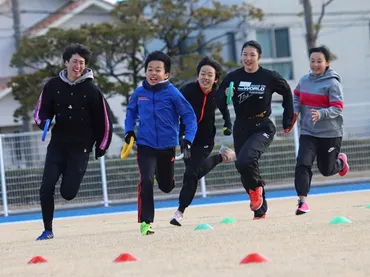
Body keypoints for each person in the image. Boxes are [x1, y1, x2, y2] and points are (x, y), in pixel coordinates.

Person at [33, 43, 113, 240]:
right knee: (46, 186)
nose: (78, 66)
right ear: (66, 62)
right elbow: (40, 111)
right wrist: (43, 122)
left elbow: (105, 120)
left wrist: (102, 145)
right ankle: (47, 229)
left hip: (81, 147)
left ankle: (70, 183)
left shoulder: (92, 90)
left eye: (82, 63)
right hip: (58, 144)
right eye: (75, 62)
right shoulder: (52, 85)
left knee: (68, 193)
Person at [217, 40, 294, 220]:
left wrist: (287, 118)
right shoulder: (233, 77)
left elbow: (287, 92)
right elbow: (219, 98)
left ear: (259, 57)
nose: (248, 58)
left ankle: (257, 189)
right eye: (245, 54)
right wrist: (228, 94)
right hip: (241, 127)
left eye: (252, 55)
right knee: (244, 166)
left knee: (245, 160)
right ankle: (260, 210)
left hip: (262, 126)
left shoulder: (269, 77)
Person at [124, 50, 197, 236]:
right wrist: (129, 131)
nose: (153, 73)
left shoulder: (173, 93)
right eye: (150, 69)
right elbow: (131, 112)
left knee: (166, 187)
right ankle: (146, 222)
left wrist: (188, 139)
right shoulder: (139, 93)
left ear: (166, 74)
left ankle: (162, 176)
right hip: (145, 145)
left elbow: (189, 116)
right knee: (145, 180)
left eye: (158, 70)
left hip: (167, 147)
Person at [170, 56, 236, 226]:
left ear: (216, 79)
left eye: (209, 75)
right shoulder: (187, 90)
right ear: (198, 74)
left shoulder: (218, 94)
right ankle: (221, 157)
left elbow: (224, 110)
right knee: (193, 173)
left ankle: (179, 212)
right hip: (186, 137)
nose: (205, 77)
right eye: (202, 73)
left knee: (191, 173)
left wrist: (228, 126)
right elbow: (173, 109)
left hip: (206, 139)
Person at [292, 45, 349, 215]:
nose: (315, 64)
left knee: (326, 170)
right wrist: (295, 110)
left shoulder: (332, 83)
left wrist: (322, 114)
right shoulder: (304, 81)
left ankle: (340, 162)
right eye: (312, 61)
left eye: (319, 61)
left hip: (330, 133)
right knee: (303, 163)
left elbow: (338, 107)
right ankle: (302, 202)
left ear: (327, 63)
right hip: (308, 132)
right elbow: (296, 95)